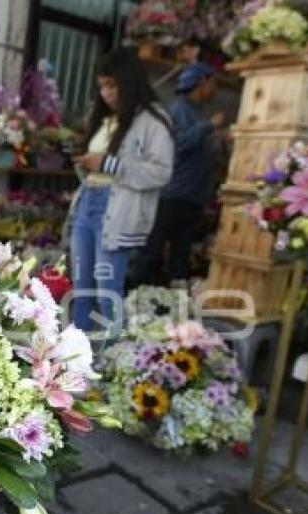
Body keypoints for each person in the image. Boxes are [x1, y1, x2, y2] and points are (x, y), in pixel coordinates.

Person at [69, 48, 174, 334]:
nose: (106, 93)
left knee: (107, 293)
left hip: (116, 211)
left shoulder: (153, 121)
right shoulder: (104, 120)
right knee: (82, 289)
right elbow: (98, 169)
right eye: (102, 86)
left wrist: (108, 163)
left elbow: (161, 171)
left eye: (112, 85)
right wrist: (86, 163)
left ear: (130, 82)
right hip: (87, 204)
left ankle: (109, 362)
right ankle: (74, 363)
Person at [138, 62, 223, 288]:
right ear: (202, 83)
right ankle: (131, 299)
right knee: (151, 251)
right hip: (171, 196)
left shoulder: (195, 112)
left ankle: (170, 307)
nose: (214, 89)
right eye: (213, 83)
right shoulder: (177, 110)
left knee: (180, 257)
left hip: (191, 199)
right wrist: (207, 127)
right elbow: (177, 145)